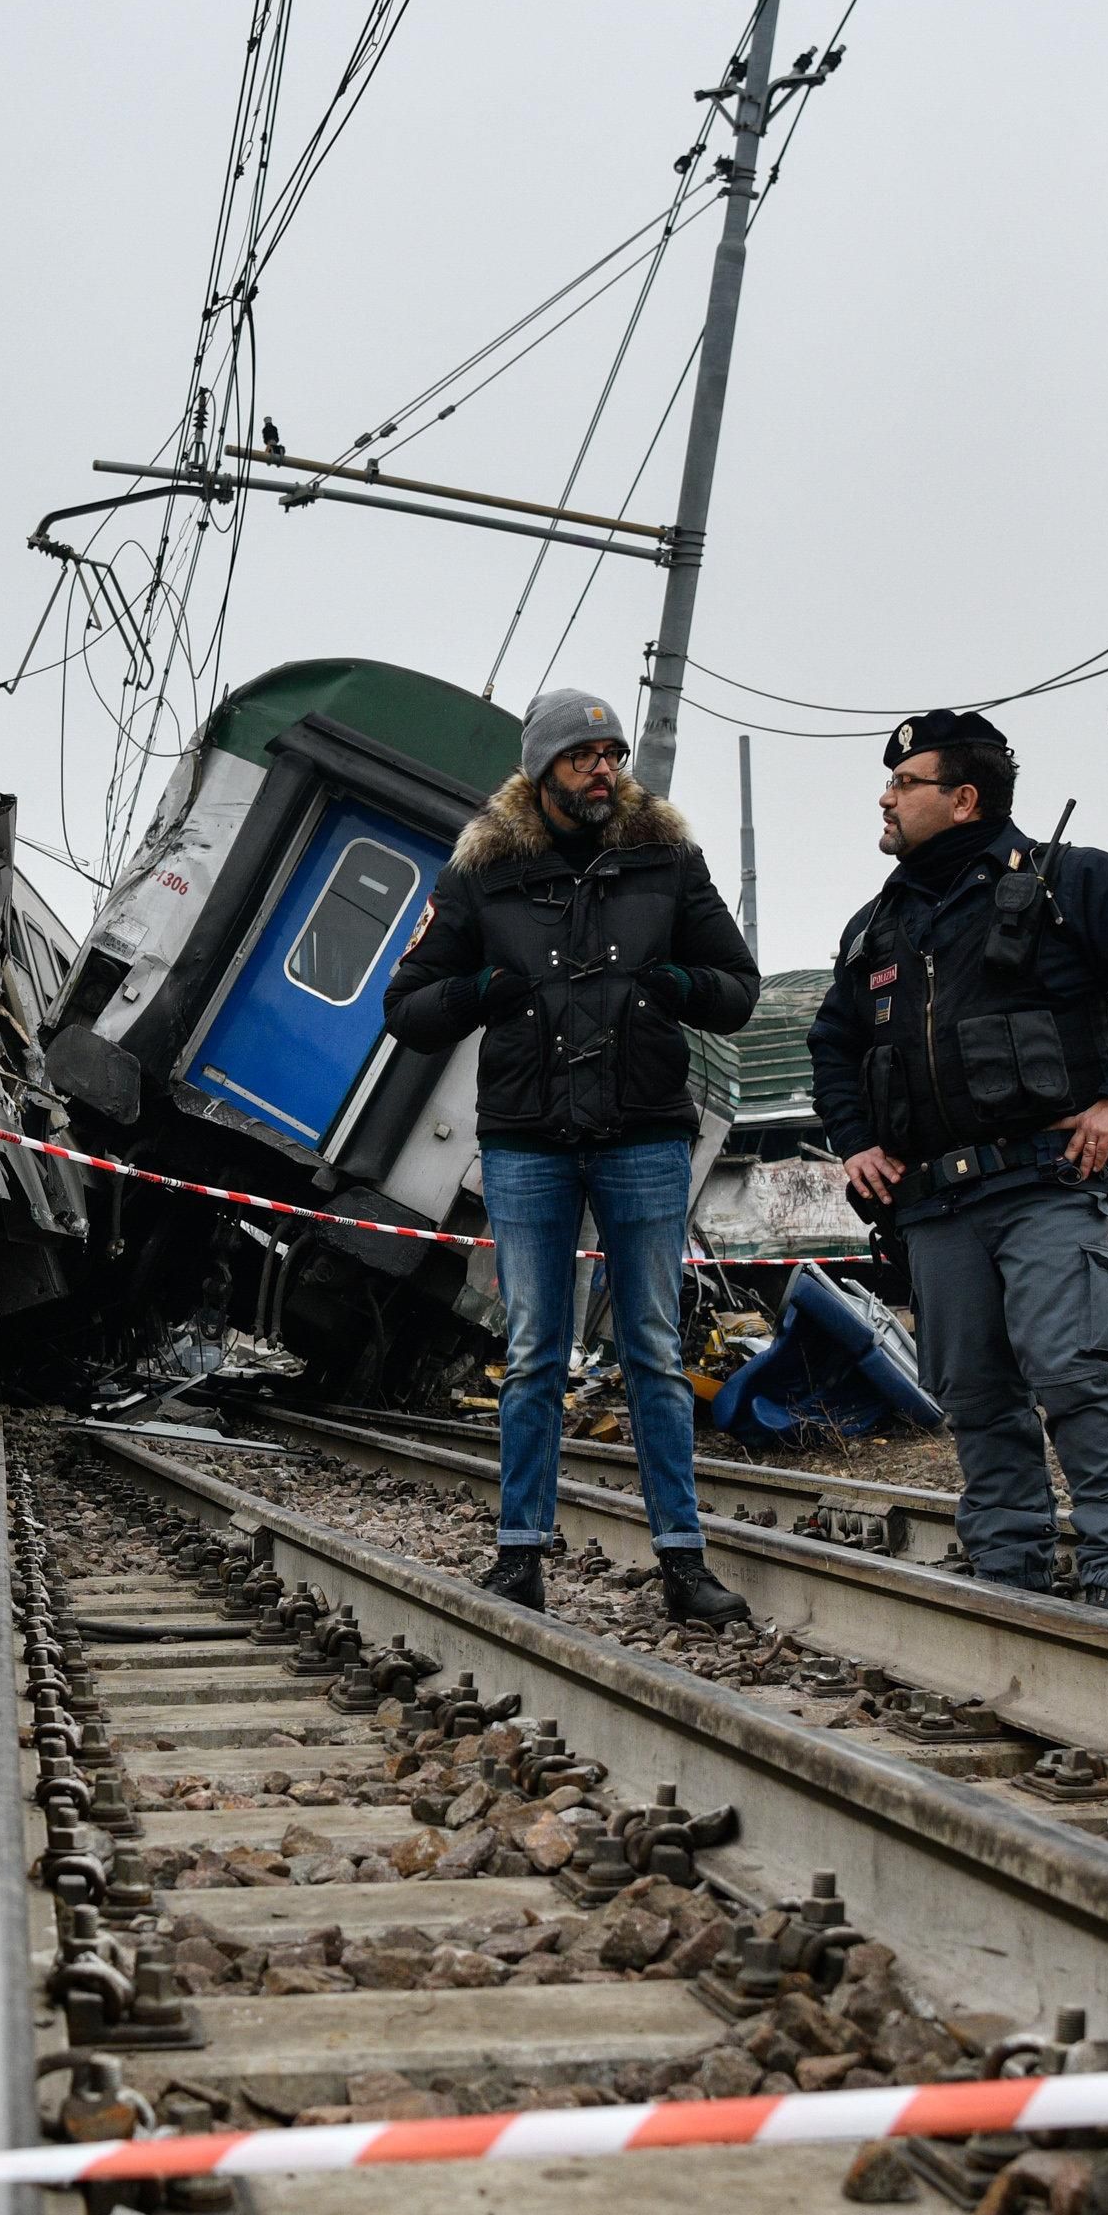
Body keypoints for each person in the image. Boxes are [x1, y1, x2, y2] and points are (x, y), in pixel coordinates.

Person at [807, 708, 1108, 1616]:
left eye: (904, 783)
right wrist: (855, 1140)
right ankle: (1008, 1581)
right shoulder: (878, 925)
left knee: (1074, 1373)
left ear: (962, 799)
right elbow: (831, 1044)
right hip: (935, 1204)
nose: (886, 796)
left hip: (1044, 1181)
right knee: (976, 1395)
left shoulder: (1073, 880)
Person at [383, 687, 761, 1622]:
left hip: (643, 1131)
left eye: (614, 752)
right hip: (527, 1141)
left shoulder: (669, 859)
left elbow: (737, 986)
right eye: (585, 754)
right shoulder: (482, 871)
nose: (605, 768)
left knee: (656, 1351)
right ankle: (520, 1557)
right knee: (532, 1350)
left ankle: (683, 1560)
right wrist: (490, 989)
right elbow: (407, 1006)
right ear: (544, 767)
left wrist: (669, 982)